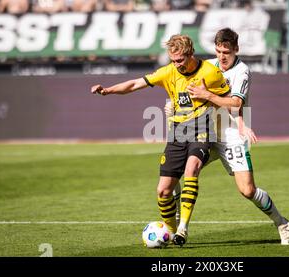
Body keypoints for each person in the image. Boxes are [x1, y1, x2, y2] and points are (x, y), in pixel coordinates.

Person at [90, 34, 230, 246]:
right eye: (173, 60)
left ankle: (183, 227)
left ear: (190, 53)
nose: (177, 65)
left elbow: (231, 101)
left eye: (180, 60)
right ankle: (171, 232)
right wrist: (108, 91)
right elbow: (136, 84)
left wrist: (208, 96)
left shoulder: (210, 73)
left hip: (202, 128)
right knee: (163, 191)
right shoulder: (168, 72)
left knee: (192, 168)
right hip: (177, 132)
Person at [166, 28, 289, 245]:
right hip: (205, 132)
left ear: (236, 49)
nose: (221, 56)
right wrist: (172, 105)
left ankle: (281, 222)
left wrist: (209, 96)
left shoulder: (242, 71)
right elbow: (183, 89)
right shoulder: (207, 66)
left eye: (226, 51)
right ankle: (179, 221)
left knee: (247, 190)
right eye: (218, 51)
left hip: (231, 134)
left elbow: (235, 103)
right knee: (176, 172)